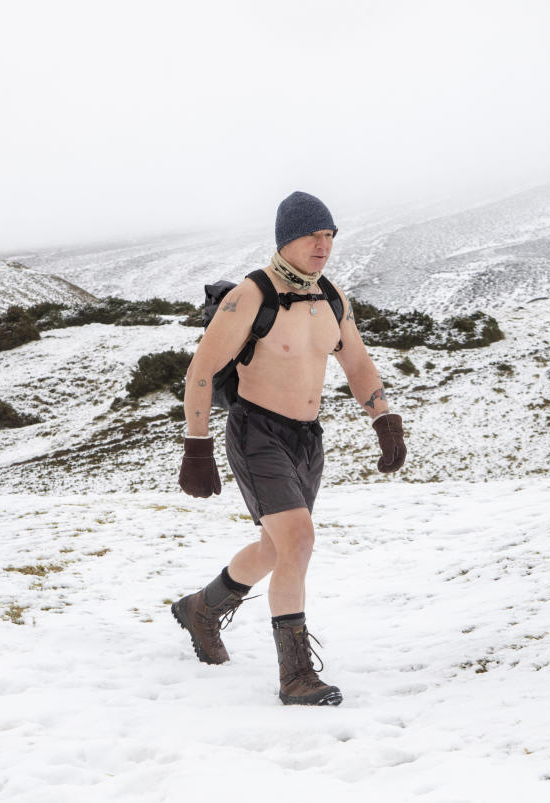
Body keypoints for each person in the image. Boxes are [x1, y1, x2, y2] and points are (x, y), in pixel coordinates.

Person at [173, 191, 407, 706]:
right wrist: (197, 445)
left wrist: (384, 419)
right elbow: (201, 371)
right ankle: (296, 674)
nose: (323, 246)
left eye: (330, 236)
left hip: (307, 438)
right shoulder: (252, 297)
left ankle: (202, 609)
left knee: (277, 548)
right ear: (286, 239)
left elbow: (358, 364)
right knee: (298, 540)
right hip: (257, 431)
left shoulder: (332, 298)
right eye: (313, 236)